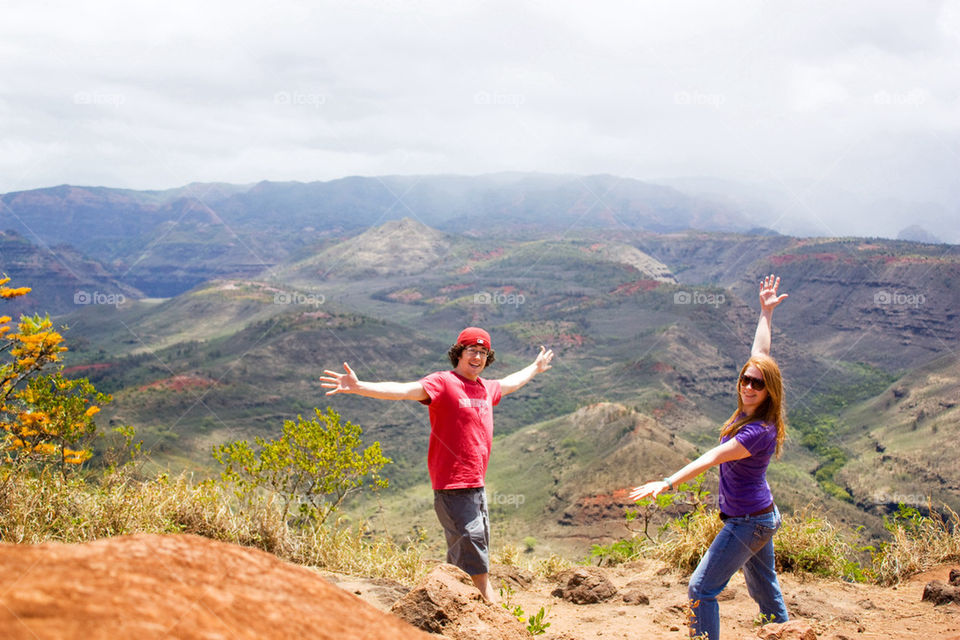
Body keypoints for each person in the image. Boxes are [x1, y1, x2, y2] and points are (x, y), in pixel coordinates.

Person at [320, 327, 554, 602]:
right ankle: (495, 616)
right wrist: (360, 387)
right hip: (453, 487)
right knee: (477, 566)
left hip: (477, 487)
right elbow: (404, 390)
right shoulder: (443, 383)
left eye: (483, 352)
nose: (477, 357)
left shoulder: (486, 388)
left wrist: (535, 368)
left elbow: (510, 382)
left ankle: (453, 610)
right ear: (459, 353)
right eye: (472, 350)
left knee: (466, 559)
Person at [629, 274, 790, 640]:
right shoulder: (751, 410)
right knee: (766, 591)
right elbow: (760, 352)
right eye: (746, 379)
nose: (748, 386)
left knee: (701, 589)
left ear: (770, 391)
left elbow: (712, 457)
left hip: (749, 521)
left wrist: (667, 482)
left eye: (757, 383)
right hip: (761, 516)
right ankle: (788, 633)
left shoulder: (758, 430)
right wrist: (766, 313)